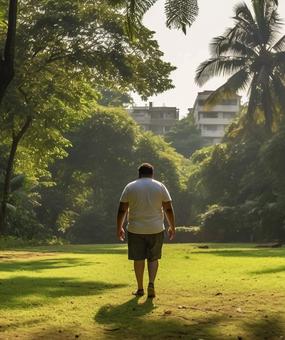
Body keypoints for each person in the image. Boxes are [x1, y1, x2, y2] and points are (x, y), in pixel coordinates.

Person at [116, 163, 175, 298]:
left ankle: (140, 288)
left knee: (138, 259)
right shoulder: (160, 186)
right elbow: (168, 209)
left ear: (139, 173)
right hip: (156, 228)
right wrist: (172, 226)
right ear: (152, 173)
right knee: (153, 258)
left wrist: (119, 227)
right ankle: (152, 284)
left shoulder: (130, 187)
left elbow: (122, 210)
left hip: (135, 229)